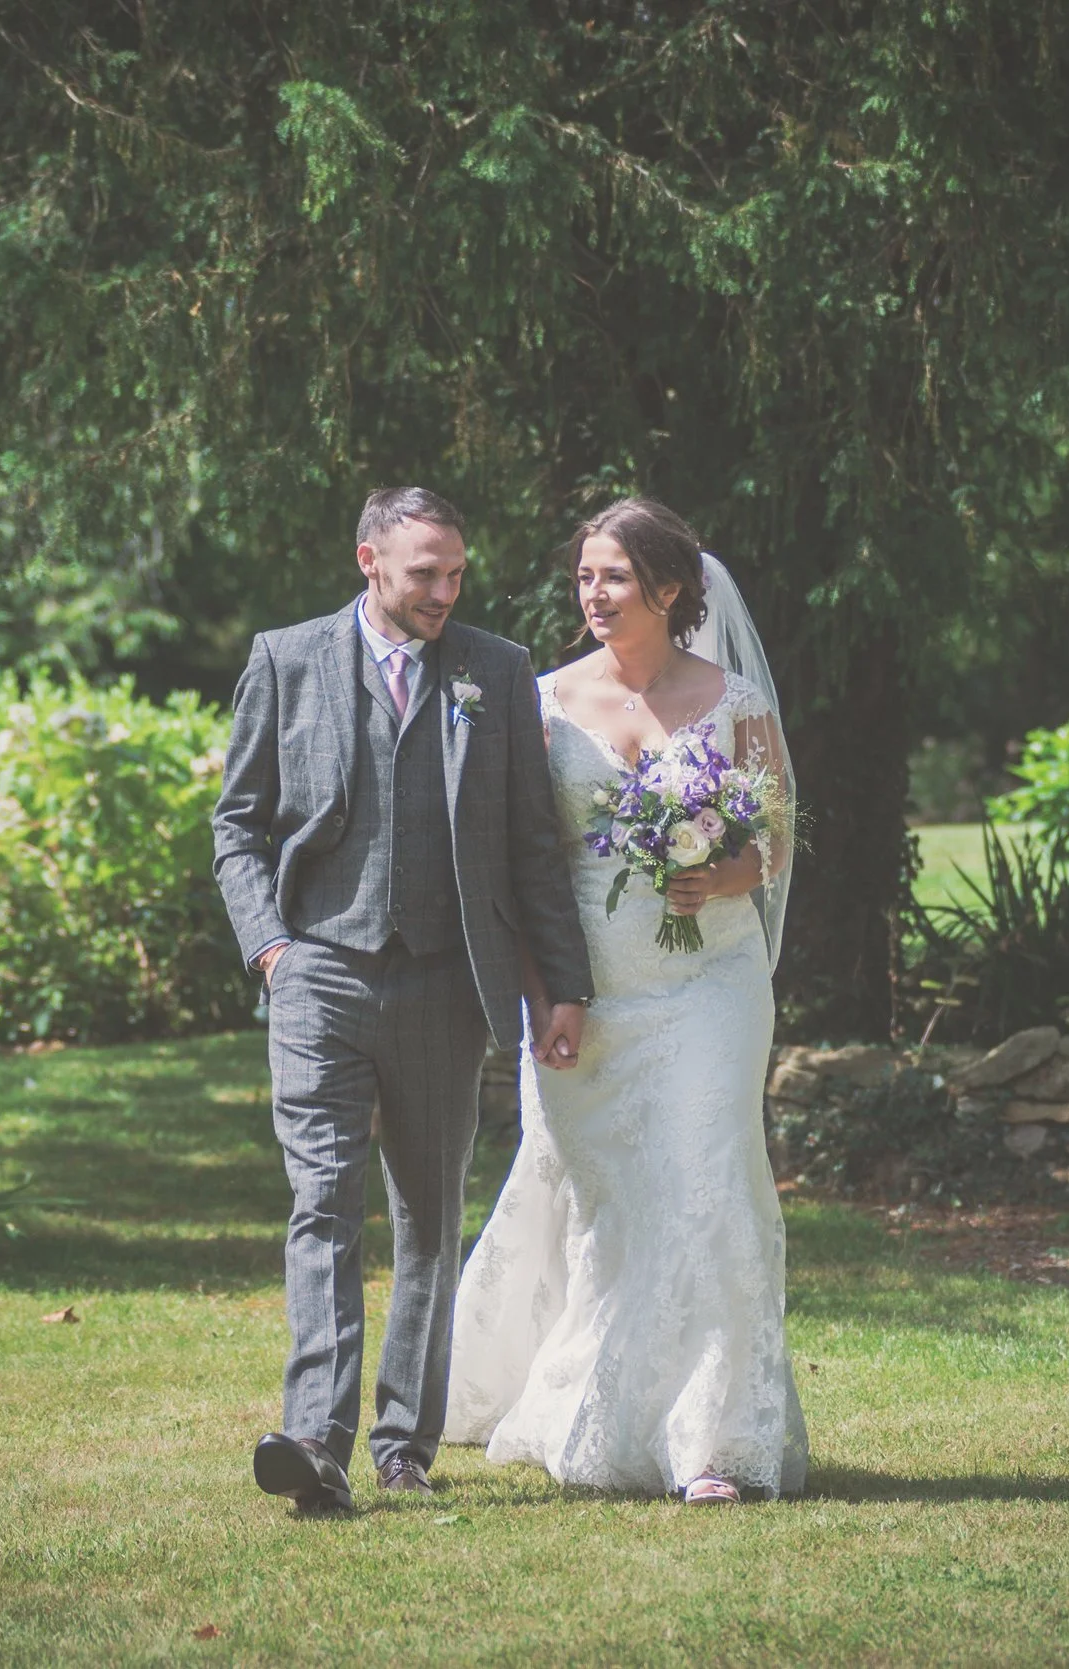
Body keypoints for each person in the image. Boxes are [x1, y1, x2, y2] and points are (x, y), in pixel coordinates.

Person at [211, 486, 595, 1516]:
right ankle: (315, 1439)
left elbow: (529, 847)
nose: (444, 590)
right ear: (368, 561)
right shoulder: (286, 660)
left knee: (426, 1219)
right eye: (424, 572)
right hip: (318, 976)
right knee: (322, 1206)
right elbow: (238, 824)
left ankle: (401, 1445)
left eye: (456, 573)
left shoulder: (496, 670)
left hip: (445, 981)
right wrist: (272, 951)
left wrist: (563, 986)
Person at [448, 496, 810, 1505]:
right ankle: (589, 1398)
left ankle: (711, 1441)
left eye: (611, 576)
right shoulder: (545, 698)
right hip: (590, 989)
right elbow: (527, 861)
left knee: (710, 1179)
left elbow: (774, 838)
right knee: (607, 1208)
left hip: (711, 981)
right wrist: (544, 991)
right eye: (584, 576)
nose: (592, 593)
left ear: (668, 590)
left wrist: (720, 872)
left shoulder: (732, 700)